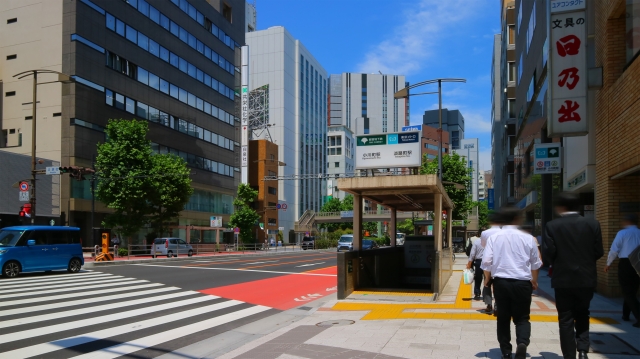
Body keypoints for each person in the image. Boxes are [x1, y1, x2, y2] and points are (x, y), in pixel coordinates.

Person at [543, 192, 604, 359]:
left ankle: (569, 355)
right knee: (583, 313)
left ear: (561, 207)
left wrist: (559, 262)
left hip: (563, 278)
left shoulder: (552, 226)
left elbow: (549, 253)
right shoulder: (593, 224)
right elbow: (598, 251)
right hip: (587, 277)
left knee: (566, 318)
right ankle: (583, 350)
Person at [482, 207, 542, 359]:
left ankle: (506, 351)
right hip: (523, 282)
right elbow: (536, 263)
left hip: (501, 282)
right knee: (522, 317)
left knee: (503, 317)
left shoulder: (494, 238)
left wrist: (488, 279)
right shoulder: (528, 238)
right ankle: (522, 343)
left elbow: (487, 261)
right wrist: (534, 280)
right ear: (517, 219)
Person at [604, 213, 640, 328]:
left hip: (626, 263)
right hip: (638, 263)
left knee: (627, 291)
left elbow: (614, 249)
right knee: (632, 290)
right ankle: (625, 314)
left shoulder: (622, 233)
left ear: (627, 222)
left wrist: (608, 263)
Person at [481, 213, 503, 313]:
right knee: (498, 285)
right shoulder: (503, 232)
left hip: (488, 263)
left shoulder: (485, 233)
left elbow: (483, 245)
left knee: (487, 284)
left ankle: (489, 305)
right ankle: (498, 305)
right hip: (500, 262)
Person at [466, 229, 485, 300]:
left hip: (478, 262)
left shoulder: (477, 242)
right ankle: (486, 294)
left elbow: (472, 254)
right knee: (487, 279)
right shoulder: (490, 241)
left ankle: (477, 293)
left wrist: (469, 264)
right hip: (488, 262)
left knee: (478, 278)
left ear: (479, 234)